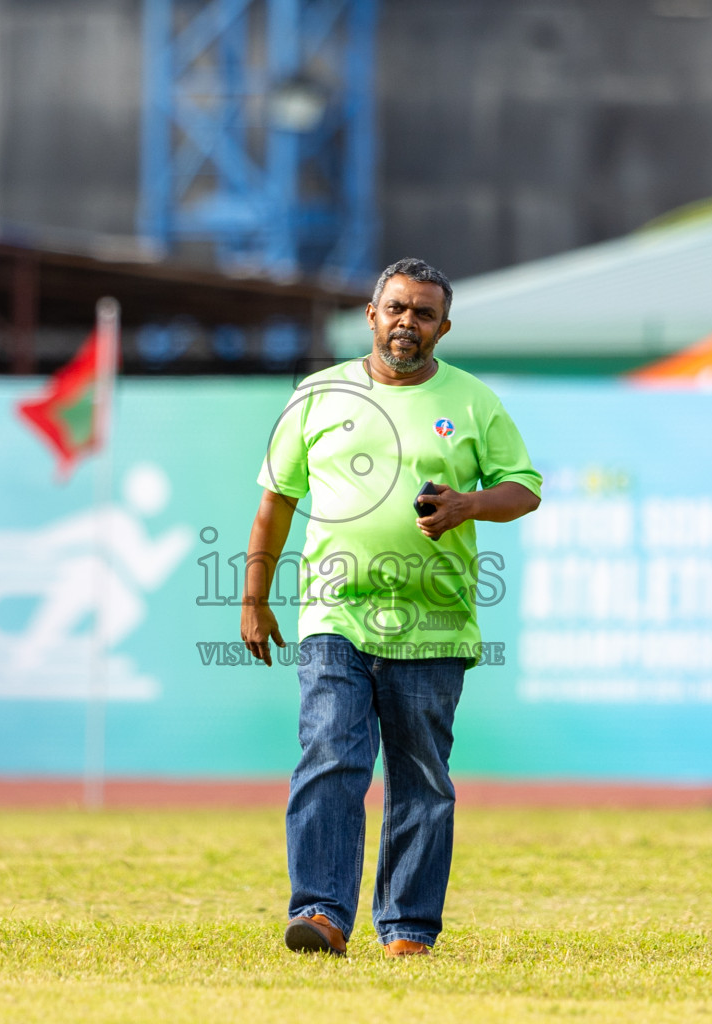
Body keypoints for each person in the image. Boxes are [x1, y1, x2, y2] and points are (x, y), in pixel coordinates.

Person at [241, 257, 542, 958]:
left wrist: (468, 504)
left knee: (421, 780)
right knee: (329, 757)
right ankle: (320, 914)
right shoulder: (316, 395)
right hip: (332, 616)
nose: (409, 322)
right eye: (397, 308)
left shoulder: (474, 403)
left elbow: (523, 488)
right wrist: (254, 599)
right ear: (373, 315)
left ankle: (407, 929)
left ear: (443, 327)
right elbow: (275, 504)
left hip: (434, 623)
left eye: (424, 312)